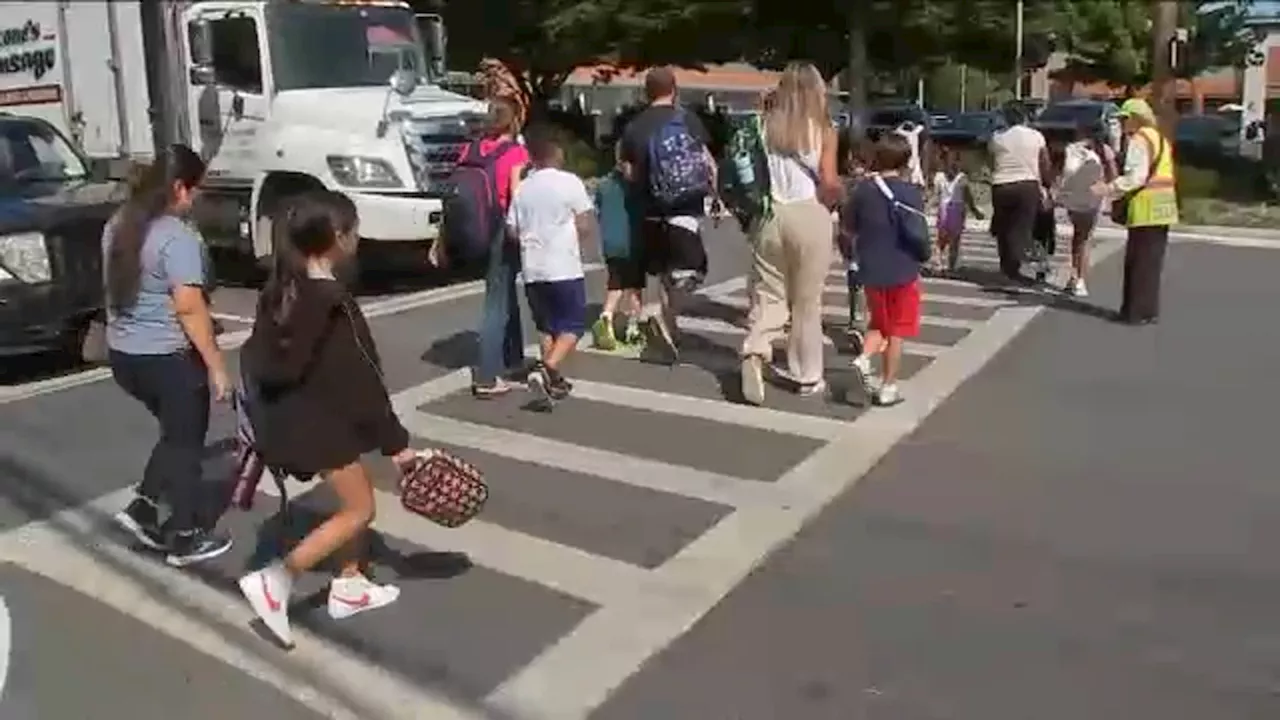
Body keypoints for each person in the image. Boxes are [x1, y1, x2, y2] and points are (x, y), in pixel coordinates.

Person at [238, 190, 419, 647]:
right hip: (319, 424)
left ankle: (351, 584)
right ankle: (277, 579)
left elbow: (260, 359)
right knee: (361, 509)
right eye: (354, 230)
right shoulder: (332, 301)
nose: (358, 238)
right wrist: (396, 443)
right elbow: (363, 380)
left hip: (290, 417)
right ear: (338, 238)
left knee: (354, 499)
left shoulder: (282, 289)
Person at [104, 144, 233, 567]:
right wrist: (216, 368)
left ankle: (141, 506)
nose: (195, 200)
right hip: (167, 359)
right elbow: (190, 309)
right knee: (185, 446)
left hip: (125, 356)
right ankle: (183, 535)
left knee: (175, 434)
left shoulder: (119, 223)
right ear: (179, 187)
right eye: (195, 191)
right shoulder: (177, 237)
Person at [738, 62, 841, 405]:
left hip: (770, 215)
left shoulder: (766, 126)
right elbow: (828, 183)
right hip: (808, 214)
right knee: (807, 302)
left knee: (770, 294)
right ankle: (807, 374)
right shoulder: (823, 129)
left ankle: (755, 349)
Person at [619, 66, 716, 364]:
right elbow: (707, 162)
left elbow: (628, 171)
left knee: (662, 272)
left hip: (649, 211)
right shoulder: (687, 119)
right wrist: (715, 196)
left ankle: (668, 327)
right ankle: (666, 320)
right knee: (692, 269)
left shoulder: (634, 126)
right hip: (685, 210)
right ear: (674, 89)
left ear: (646, 92)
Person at [506, 128, 598, 406]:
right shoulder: (570, 182)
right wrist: (572, 238)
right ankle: (547, 369)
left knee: (547, 326)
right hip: (563, 265)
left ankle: (553, 383)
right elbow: (584, 222)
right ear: (557, 154)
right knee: (573, 325)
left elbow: (512, 229)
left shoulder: (524, 188)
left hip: (533, 267)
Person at [845, 134, 926, 407]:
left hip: (871, 269)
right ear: (905, 161)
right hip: (903, 269)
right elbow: (918, 232)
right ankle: (888, 385)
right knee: (897, 332)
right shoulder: (910, 193)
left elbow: (848, 226)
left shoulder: (863, 191)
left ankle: (864, 358)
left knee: (879, 323)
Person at [466, 97, 530, 398]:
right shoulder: (516, 153)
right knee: (496, 301)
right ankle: (487, 376)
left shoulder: (471, 149)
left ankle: (513, 358)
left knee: (504, 293)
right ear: (514, 120)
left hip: (471, 230)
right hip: (501, 230)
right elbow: (517, 196)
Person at [1102, 98, 1178, 325]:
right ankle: (1149, 310)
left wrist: (1108, 188)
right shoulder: (1160, 138)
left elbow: (1136, 177)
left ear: (1135, 118)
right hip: (1165, 207)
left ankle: (1133, 312)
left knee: (1138, 262)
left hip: (1145, 206)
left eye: (1124, 119)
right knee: (1152, 263)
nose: (1122, 123)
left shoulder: (1139, 140)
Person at [988, 102, 1052, 283]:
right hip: (1027, 185)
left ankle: (1008, 269)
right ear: (1024, 117)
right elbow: (1044, 163)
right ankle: (1027, 262)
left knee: (1004, 228)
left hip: (1001, 185)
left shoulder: (997, 137)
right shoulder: (1036, 136)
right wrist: (1047, 185)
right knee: (1022, 227)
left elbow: (992, 159)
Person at [591, 142, 643, 350]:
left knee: (615, 283)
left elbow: (599, 210)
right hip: (632, 240)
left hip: (610, 242)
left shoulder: (603, 184)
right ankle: (633, 327)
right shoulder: (637, 185)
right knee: (635, 287)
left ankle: (607, 316)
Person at [1059, 123, 1116, 296]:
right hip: (1092, 197)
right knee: (1085, 239)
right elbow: (1113, 173)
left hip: (1073, 198)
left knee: (1077, 236)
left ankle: (1074, 276)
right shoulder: (1103, 150)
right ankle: (1080, 280)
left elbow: (1062, 171)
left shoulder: (1072, 148)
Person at [930, 145, 983, 274]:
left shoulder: (942, 177)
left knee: (944, 240)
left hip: (948, 209)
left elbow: (936, 196)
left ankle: (940, 264)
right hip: (954, 210)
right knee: (950, 240)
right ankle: (947, 266)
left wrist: (930, 205)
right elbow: (968, 196)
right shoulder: (958, 178)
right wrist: (975, 210)